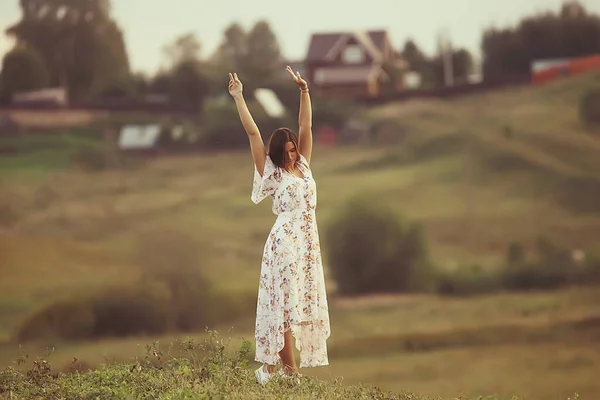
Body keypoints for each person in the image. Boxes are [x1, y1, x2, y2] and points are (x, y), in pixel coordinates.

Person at [227, 67, 331, 385]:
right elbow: (254, 134)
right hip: (284, 242)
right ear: (276, 153)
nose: (291, 154)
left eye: (293, 149)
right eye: (285, 151)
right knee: (285, 308)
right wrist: (239, 96)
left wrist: (304, 90)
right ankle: (290, 374)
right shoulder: (274, 174)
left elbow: (306, 125)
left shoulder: (303, 165)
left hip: (306, 245)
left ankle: (272, 371)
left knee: (294, 306)